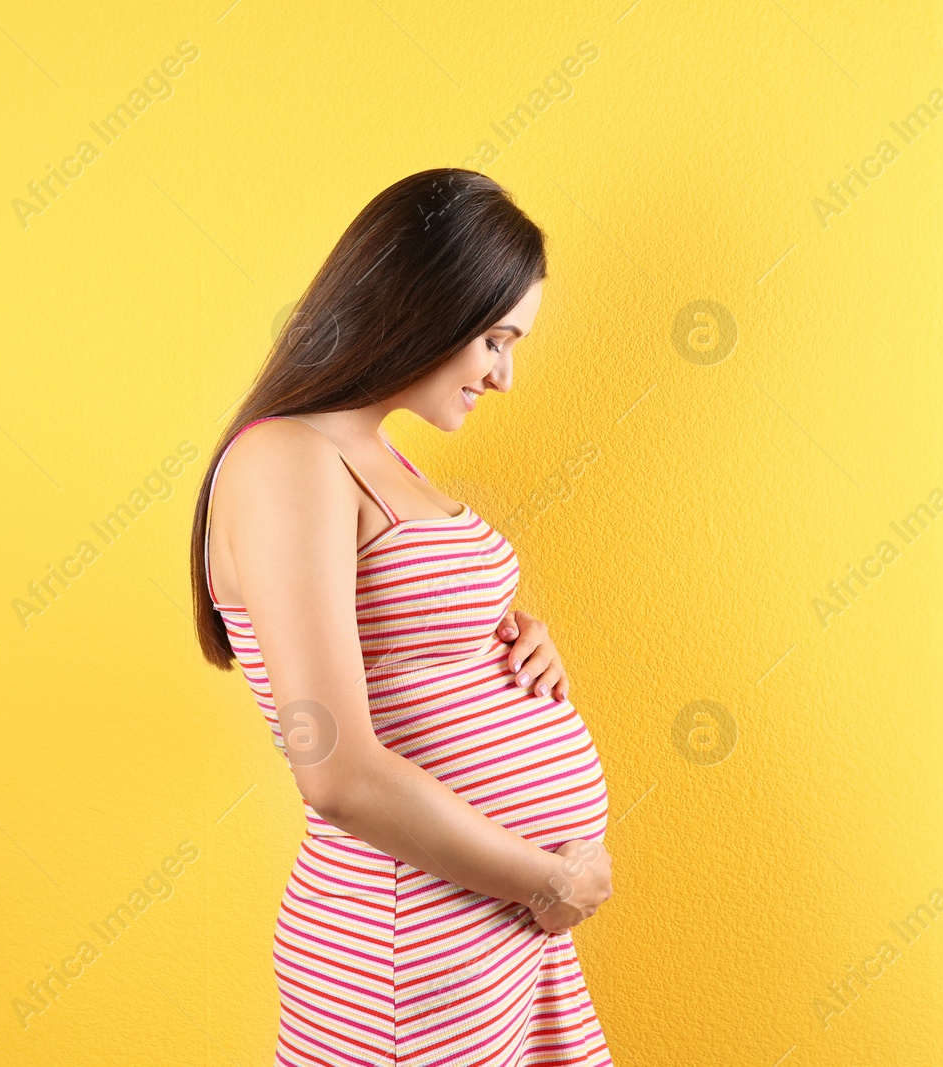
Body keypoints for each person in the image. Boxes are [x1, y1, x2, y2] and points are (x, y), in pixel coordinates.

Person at [191, 168, 616, 1065]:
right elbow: (335, 770)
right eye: (496, 340)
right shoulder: (288, 460)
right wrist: (550, 878)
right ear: (425, 305)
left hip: (482, 932)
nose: (505, 377)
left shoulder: (373, 453)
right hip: (407, 953)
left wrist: (501, 637)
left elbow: (397, 634)